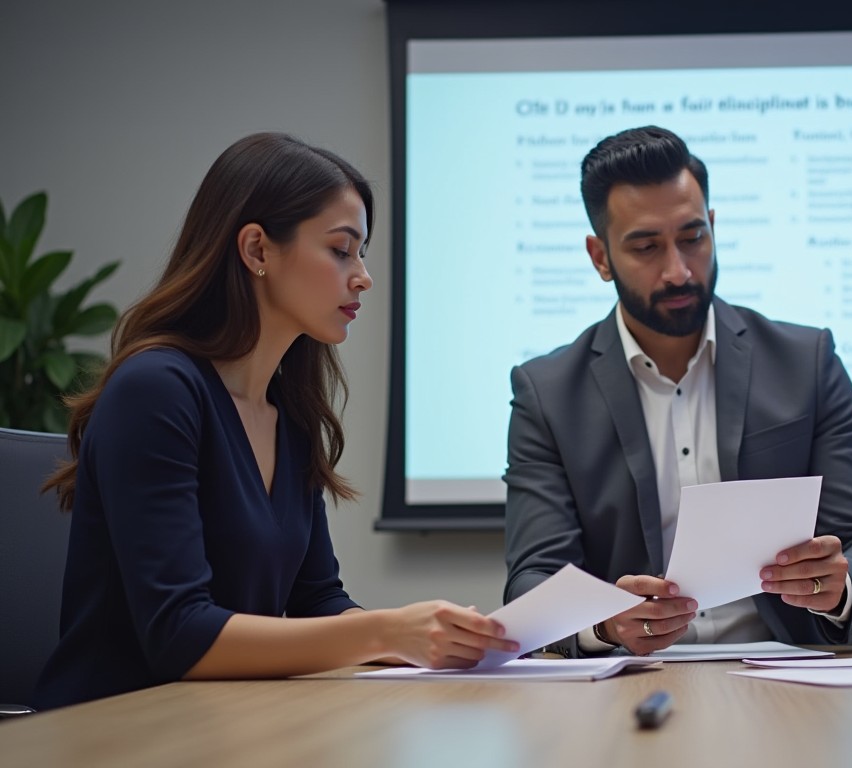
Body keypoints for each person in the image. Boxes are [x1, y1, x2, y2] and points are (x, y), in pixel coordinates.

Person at [35, 133, 518, 709]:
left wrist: (439, 641)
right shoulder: (155, 390)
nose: (362, 276)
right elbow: (179, 636)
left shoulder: (288, 412)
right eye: (342, 250)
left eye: (361, 253)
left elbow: (319, 600)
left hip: (220, 725)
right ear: (258, 250)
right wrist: (389, 631)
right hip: (112, 734)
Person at [503, 125, 852, 657]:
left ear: (712, 226)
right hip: (629, 682)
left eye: (693, 238)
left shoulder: (805, 362)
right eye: (646, 247)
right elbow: (532, 579)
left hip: (786, 678)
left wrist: (839, 587)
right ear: (600, 257)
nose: (678, 270)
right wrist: (603, 624)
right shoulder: (548, 393)